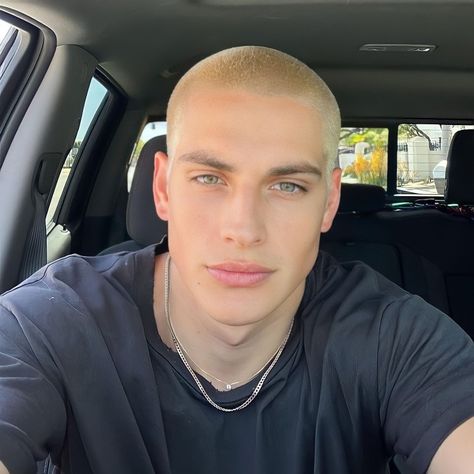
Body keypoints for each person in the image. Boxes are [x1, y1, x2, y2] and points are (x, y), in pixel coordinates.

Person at [0, 46, 473, 474]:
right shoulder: (54, 321)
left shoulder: (395, 337)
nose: (244, 230)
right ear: (163, 189)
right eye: (209, 178)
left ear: (329, 203)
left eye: (288, 186)